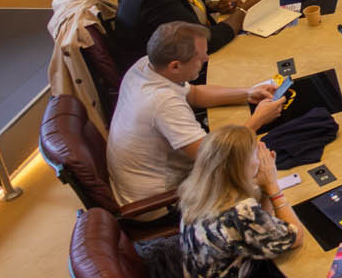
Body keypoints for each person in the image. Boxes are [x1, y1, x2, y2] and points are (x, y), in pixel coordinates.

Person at [107, 21, 281, 205]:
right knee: (261, 172)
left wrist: (247, 93)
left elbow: (194, 94)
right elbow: (215, 157)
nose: (206, 58)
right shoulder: (162, 103)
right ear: (175, 66)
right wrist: (258, 119)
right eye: (200, 57)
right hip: (157, 202)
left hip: (144, 181)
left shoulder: (146, 65)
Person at [172, 119, 302, 278]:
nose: (261, 158)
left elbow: (263, 229)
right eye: (255, 155)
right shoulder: (238, 213)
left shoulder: (198, 191)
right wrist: (274, 187)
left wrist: (264, 190)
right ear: (239, 167)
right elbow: (295, 237)